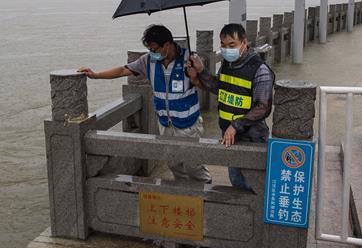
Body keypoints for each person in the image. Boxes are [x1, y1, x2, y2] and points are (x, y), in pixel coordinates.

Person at [77, 24, 210, 183]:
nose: (152, 53)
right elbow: (123, 70)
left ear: (167, 45)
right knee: (173, 163)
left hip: (188, 124)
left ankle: (205, 189)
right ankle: (184, 191)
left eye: (155, 49)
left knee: (193, 164)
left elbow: (207, 87)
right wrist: (96, 75)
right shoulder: (148, 61)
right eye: (149, 49)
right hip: (165, 123)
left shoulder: (190, 60)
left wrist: (197, 75)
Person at [187, 23, 274, 191]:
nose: (227, 50)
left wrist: (236, 125)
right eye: (223, 45)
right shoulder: (227, 64)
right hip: (229, 135)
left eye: (232, 45)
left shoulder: (260, 69)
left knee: (255, 185)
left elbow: (263, 107)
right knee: (236, 181)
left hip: (252, 137)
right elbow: (219, 87)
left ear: (244, 43)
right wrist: (199, 74)